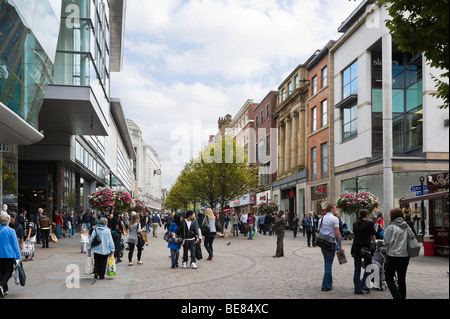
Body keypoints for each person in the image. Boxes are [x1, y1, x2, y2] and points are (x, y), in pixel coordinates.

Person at [384, 208, 415, 299]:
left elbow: (386, 242)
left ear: (393, 216)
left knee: (389, 278)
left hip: (394, 255)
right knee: (401, 279)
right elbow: (412, 236)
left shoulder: (391, 227)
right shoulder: (406, 226)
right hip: (405, 256)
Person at [351, 209, 377, 295]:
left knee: (357, 268)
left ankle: (357, 289)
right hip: (366, 248)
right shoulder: (370, 224)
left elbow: (355, 235)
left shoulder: (355, 224)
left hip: (356, 247)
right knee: (368, 267)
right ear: (367, 215)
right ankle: (364, 285)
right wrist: (375, 242)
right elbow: (372, 236)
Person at [317, 203, 342, 292]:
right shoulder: (335, 219)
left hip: (323, 243)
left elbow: (319, 230)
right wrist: (340, 244)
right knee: (329, 263)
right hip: (331, 243)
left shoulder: (321, 219)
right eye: (334, 208)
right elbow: (337, 233)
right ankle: (325, 285)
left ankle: (329, 281)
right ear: (331, 209)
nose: (335, 210)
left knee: (326, 262)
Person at [0, 214, 22, 297]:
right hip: (8, 254)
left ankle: (4, 290)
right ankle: (1, 285)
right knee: (9, 271)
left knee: (1, 271)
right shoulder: (11, 231)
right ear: (8, 221)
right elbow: (15, 245)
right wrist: (18, 257)